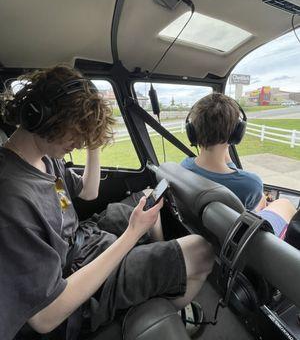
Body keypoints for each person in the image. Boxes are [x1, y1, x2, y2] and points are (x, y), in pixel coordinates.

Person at [0, 66, 214, 340]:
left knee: (146, 198)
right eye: (75, 133)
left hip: (81, 241)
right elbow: (44, 316)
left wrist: (93, 139)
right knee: (202, 251)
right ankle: (147, 311)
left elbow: (88, 193)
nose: (77, 145)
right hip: (71, 288)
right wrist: (132, 234)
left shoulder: (44, 158)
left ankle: (151, 274)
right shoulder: (12, 197)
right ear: (42, 116)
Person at [182, 93, 296, 239]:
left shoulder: (184, 166)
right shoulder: (250, 183)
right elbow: (248, 195)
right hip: (241, 241)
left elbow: (225, 166)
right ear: (237, 133)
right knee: (284, 203)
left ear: (191, 132)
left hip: (203, 234)